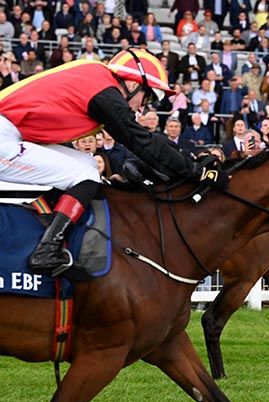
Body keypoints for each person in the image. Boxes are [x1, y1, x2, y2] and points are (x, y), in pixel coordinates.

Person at [0, 48, 226, 276]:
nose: (142, 106)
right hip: (5, 136)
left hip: (10, 132)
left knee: (87, 166)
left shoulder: (98, 80)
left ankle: (49, 233)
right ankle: (46, 251)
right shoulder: (104, 93)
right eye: (146, 97)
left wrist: (192, 159)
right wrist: (196, 172)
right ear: (131, 83)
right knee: (84, 174)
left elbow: (146, 139)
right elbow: (142, 142)